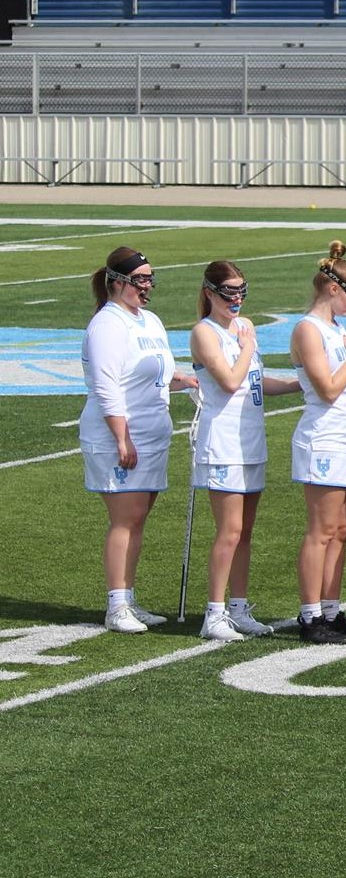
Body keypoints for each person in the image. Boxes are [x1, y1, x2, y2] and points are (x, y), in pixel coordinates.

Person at [80, 247, 198, 634]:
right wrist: (121, 437)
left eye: (149, 278)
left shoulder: (149, 321)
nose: (146, 286)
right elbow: (106, 386)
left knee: (137, 520)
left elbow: (157, 372)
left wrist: (186, 381)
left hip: (152, 433)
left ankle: (128, 599)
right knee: (125, 520)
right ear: (117, 282)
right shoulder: (108, 324)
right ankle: (116, 605)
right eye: (139, 279)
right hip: (120, 435)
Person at [189, 262, 298, 642]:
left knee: (246, 532)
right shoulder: (205, 333)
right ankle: (214, 614)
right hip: (222, 442)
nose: (235, 299)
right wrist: (247, 343)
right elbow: (230, 380)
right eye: (228, 292)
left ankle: (238, 607)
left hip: (251, 438)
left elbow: (254, 380)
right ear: (209, 293)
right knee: (229, 531)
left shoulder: (241, 327)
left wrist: (300, 384)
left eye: (240, 292)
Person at [290, 242, 346, 646]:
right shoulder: (309, 329)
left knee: (341, 530)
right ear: (332, 288)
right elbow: (326, 389)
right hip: (321, 439)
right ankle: (309, 616)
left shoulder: (338, 330)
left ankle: (329, 609)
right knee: (321, 531)